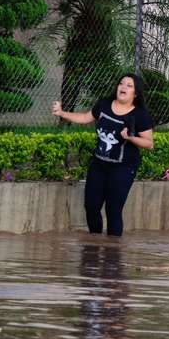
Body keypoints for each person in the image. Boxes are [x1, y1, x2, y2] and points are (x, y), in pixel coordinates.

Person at [51, 73, 154, 237]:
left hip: (123, 168)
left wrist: (131, 137)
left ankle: (112, 255)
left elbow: (149, 143)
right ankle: (95, 244)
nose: (123, 87)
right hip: (99, 165)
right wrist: (62, 113)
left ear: (135, 93)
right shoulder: (104, 104)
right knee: (91, 206)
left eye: (129, 85)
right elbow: (85, 117)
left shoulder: (140, 115)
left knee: (113, 209)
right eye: (121, 83)